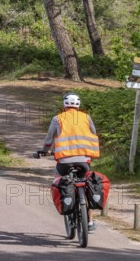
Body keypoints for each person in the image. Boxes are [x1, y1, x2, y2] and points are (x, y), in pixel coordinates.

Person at [42, 92, 100, 232]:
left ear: (64, 104)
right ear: (78, 105)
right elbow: (93, 133)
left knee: (59, 178)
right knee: (87, 186)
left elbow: (49, 138)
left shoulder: (58, 119)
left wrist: (45, 150)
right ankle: (90, 222)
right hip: (84, 161)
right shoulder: (86, 117)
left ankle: (66, 203)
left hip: (64, 162)